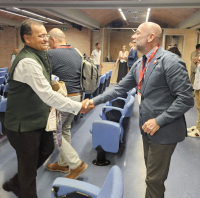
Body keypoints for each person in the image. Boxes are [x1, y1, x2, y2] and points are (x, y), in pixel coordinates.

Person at [86, 22, 194, 198]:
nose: (133, 37)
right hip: (146, 128)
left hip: (164, 130)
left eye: (137, 33)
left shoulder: (170, 61)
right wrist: (93, 101)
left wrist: (159, 120)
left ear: (151, 37)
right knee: (151, 176)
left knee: (154, 180)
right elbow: (119, 89)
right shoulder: (140, 63)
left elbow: (186, 99)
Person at [2, 19, 92, 198]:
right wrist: (78, 106)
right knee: (29, 171)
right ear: (27, 39)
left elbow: (46, 83)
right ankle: (21, 187)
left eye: (46, 35)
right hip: (23, 125)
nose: (45, 39)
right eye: (40, 36)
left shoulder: (41, 56)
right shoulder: (27, 61)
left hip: (38, 120)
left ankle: (15, 182)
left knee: (47, 148)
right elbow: (47, 95)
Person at [46, 28, 87, 179]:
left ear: (53, 40)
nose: (48, 44)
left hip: (62, 100)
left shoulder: (51, 54)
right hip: (77, 97)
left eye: (48, 41)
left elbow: (45, 76)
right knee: (65, 129)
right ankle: (63, 164)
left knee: (55, 133)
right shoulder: (76, 51)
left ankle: (75, 163)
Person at [188, 56, 200, 137]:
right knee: (198, 108)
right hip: (198, 86)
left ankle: (198, 130)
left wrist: (197, 62)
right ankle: (198, 126)